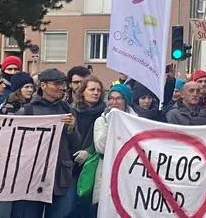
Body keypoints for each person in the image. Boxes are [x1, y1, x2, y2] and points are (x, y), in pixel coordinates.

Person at [14, 68, 84, 218]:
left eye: (63, 84)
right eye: (57, 83)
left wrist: (71, 129)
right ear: (43, 86)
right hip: (33, 175)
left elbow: (76, 146)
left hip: (61, 175)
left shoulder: (68, 110)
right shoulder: (27, 111)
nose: (62, 87)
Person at [87, 84, 134, 215]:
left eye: (119, 98)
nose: (114, 102)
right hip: (106, 174)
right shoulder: (101, 121)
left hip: (128, 173)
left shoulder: (137, 121)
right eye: (111, 98)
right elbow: (101, 147)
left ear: (126, 101)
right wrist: (111, 122)